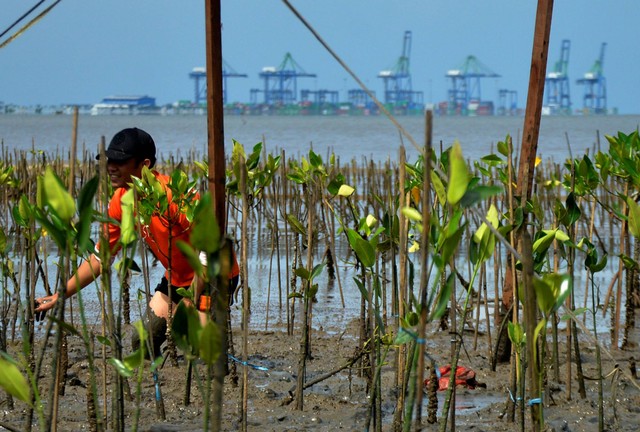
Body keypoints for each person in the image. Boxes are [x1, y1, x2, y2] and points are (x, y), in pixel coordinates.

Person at [35, 127, 239, 357]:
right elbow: (100, 259)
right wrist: (59, 295)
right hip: (178, 277)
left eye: (120, 161)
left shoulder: (174, 195)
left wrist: (191, 301)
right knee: (142, 343)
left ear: (144, 164)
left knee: (201, 346)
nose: (111, 167)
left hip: (214, 275)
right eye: (109, 160)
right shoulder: (120, 200)